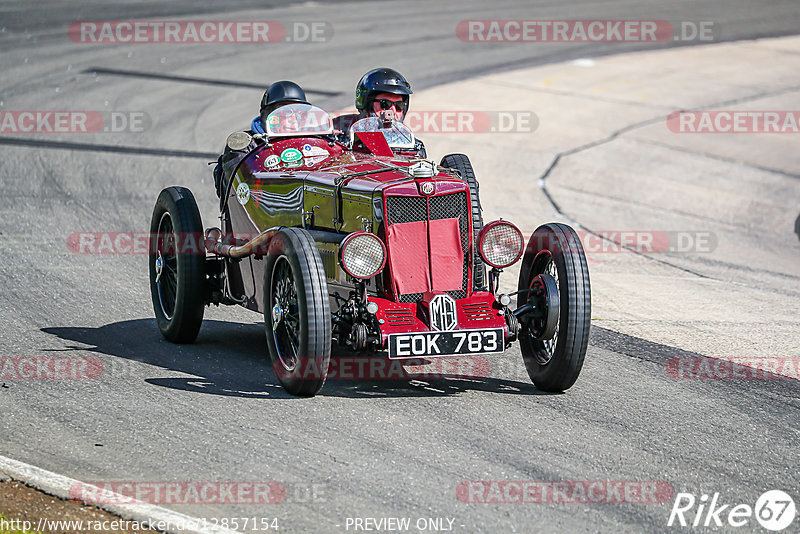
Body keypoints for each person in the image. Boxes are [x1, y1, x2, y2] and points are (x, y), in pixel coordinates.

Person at [214, 81, 309, 201]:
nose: (293, 118)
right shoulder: (244, 144)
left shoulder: (314, 141)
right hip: (262, 207)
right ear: (268, 115)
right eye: (284, 111)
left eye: (298, 111)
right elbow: (243, 183)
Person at [335, 68, 426, 156]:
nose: (392, 111)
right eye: (385, 104)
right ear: (367, 104)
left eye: (399, 105)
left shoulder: (413, 147)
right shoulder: (339, 134)